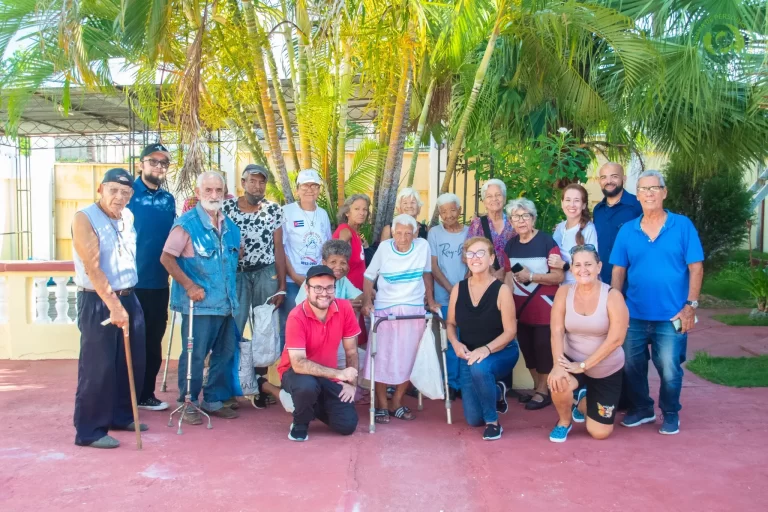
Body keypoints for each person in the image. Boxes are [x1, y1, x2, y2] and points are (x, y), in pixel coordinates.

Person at [610, 170, 704, 435]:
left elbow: (696, 268)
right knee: (631, 364)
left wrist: (691, 306)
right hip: (635, 314)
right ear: (637, 195)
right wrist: (617, 307)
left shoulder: (682, 226)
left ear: (664, 192)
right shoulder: (628, 230)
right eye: (643, 189)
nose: (649, 193)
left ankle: (671, 412)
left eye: (654, 188)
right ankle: (642, 408)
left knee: (670, 367)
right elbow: (618, 271)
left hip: (672, 315)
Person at [72, 168, 147, 448]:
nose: (119, 197)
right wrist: (114, 306)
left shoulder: (128, 216)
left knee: (131, 360)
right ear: (100, 189)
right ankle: (89, 430)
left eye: (126, 192)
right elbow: (92, 267)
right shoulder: (85, 218)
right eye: (114, 190)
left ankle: (121, 415)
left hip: (129, 294)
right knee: (98, 366)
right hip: (98, 299)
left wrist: (124, 302)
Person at [160, 171, 241, 423]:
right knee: (195, 354)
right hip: (200, 306)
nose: (214, 195)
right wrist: (188, 285)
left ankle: (214, 399)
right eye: (208, 190)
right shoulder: (186, 224)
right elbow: (166, 258)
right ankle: (189, 402)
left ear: (225, 193)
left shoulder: (230, 227)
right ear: (198, 193)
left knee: (225, 353)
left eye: (218, 190)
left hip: (226, 304)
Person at [361, 214, 440, 423]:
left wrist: (430, 300)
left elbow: (426, 274)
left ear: (415, 233)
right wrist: (367, 301)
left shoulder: (422, 246)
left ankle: (396, 401)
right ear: (392, 233)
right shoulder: (385, 248)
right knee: (381, 357)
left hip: (413, 308)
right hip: (386, 309)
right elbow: (369, 275)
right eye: (399, 233)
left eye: (408, 233)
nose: (403, 238)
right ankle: (381, 404)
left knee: (409, 357)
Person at [547, 245, 629, 442]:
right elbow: (557, 331)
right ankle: (564, 422)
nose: (583, 269)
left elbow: (616, 339)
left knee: (599, 433)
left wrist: (583, 366)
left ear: (599, 267)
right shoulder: (564, 292)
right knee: (558, 381)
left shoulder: (612, 296)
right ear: (572, 268)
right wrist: (558, 365)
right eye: (577, 265)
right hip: (572, 359)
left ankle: (582, 401)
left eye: (588, 264)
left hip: (605, 368)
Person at [222, 164, 287, 409]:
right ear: (243, 182)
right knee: (234, 328)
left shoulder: (273, 210)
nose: (257, 186)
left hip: (265, 274)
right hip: (237, 276)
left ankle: (260, 386)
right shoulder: (226, 208)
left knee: (264, 330)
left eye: (261, 182)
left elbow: (279, 248)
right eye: (252, 181)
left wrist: (281, 285)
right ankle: (229, 387)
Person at [277, 265, 361, 442]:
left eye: (329, 287)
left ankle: (304, 404)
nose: (324, 293)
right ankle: (300, 423)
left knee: (347, 425)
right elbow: (298, 363)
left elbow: (351, 350)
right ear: (307, 289)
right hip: (295, 372)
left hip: (326, 375)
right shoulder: (296, 316)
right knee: (306, 386)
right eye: (318, 288)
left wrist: (351, 383)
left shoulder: (344, 308)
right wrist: (340, 374)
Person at [447, 237, 518, 441]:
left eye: (480, 253)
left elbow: (510, 331)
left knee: (481, 367)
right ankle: (496, 391)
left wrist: (486, 349)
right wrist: (455, 342)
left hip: (502, 351)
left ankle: (493, 423)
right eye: (470, 254)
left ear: (491, 258)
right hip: (469, 355)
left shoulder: (502, 290)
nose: (475, 258)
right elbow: (450, 323)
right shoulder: (458, 289)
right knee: (472, 419)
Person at [128, 143, 176, 412]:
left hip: (159, 284)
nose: (159, 167)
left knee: (153, 342)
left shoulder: (168, 200)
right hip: (129, 285)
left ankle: (145, 394)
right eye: (153, 161)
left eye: (164, 163)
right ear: (141, 164)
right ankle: (124, 396)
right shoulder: (127, 194)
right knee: (127, 343)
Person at [504, 198, 564, 410]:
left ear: (533, 218)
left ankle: (543, 391)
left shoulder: (547, 242)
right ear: (510, 221)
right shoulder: (510, 245)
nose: (520, 221)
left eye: (525, 216)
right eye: (515, 217)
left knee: (543, 349)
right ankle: (540, 387)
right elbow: (508, 277)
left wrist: (533, 276)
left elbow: (558, 277)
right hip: (520, 310)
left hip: (545, 309)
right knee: (528, 350)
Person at [280, 169, 333, 350]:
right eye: (305, 185)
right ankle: (288, 373)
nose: (310, 189)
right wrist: (294, 276)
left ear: (319, 190)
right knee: (290, 326)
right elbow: (281, 248)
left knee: (315, 327)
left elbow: (326, 248)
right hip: (293, 281)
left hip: (317, 283)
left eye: (314, 185)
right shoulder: (286, 212)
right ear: (297, 189)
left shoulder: (323, 214)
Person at [294, 240, 363, 368]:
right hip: (310, 343)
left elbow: (360, 298)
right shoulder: (314, 282)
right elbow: (309, 309)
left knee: (364, 359)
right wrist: (343, 305)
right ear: (324, 263)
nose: (338, 266)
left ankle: (349, 386)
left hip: (333, 341)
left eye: (343, 262)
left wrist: (371, 291)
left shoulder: (342, 280)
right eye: (333, 262)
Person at [428, 193, 469, 398]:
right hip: (444, 297)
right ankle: (452, 384)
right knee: (451, 341)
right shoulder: (434, 233)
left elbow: (474, 262)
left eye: (452, 210)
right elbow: (433, 266)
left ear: (459, 210)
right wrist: (452, 289)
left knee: (469, 339)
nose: (448, 215)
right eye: (443, 212)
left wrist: (462, 288)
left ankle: (466, 384)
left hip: (469, 296)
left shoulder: (470, 232)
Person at [593, 163, 642, 284]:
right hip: (602, 279)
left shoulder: (638, 206)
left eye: (614, 176)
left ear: (624, 179)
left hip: (631, 281)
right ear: (600, 181)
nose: (608, 181)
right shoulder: (597, 210)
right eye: (604, 177)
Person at [467, 179, 516, 282]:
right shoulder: (477, 224)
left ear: (504, 198)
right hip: (484, 280)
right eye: (489, 196)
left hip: (512, 280)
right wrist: (491, 272)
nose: (494, 199)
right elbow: (467, 252)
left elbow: (522, 252)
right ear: (484, 202)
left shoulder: (514, 222)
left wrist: (504, 271)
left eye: (498, 195)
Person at [549, 184, 598, 284]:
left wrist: (563, 265)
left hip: (580, 288)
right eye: (568, 200)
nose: (572, 205)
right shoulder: (559, 228)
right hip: (559, 288)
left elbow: (592, 267)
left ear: (584, 205)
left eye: (576, 200)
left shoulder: (588, 229)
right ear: (562, 203)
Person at [333, 194, 370, 290]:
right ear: (347, 212)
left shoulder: (356, 233)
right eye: (357, 209)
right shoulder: (345, 231)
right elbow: (335, 262)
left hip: (359, 292)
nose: (362, 213)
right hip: (348, 294)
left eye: (365, 209)